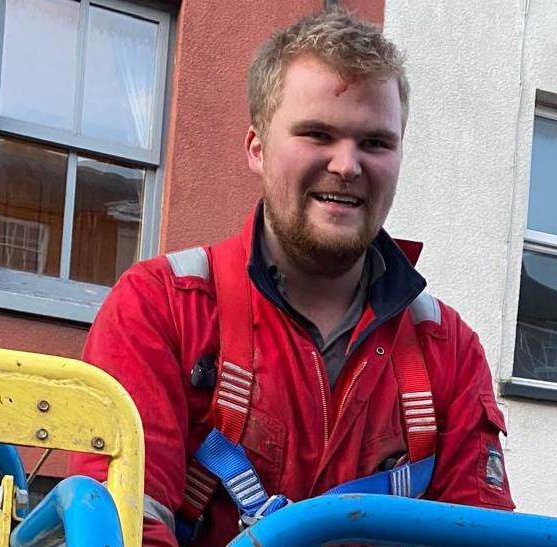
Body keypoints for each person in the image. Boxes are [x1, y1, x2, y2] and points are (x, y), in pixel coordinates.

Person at [69, 9, 513, 546]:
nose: (347, 165)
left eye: (375, 143)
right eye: (317, 134)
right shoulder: (162, 309)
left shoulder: (450, 354)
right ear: (256, 148)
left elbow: (485, 536)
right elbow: (125, 528)